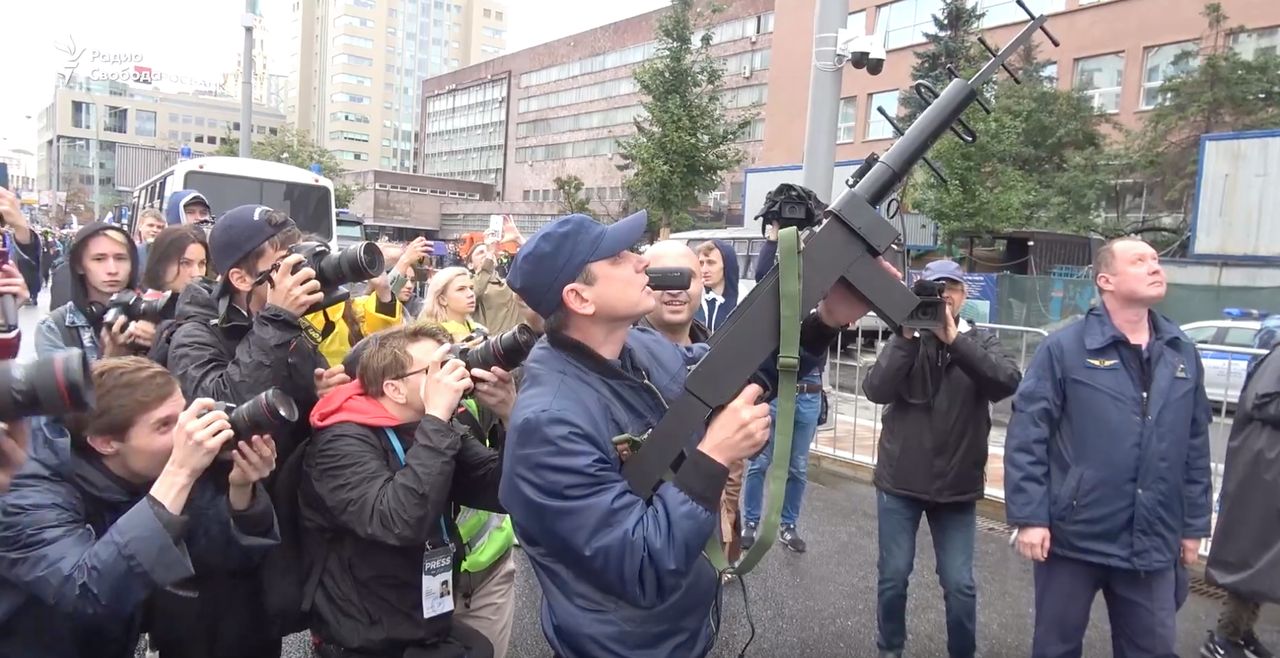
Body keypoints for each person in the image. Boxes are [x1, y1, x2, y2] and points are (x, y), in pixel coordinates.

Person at [499, 211, 888, 658]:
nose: (641, 262)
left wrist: (824, 320)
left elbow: (737, 374)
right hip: (624, 645)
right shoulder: (548, 424)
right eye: (620, 256)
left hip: (679, 626)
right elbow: (639, 564)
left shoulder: (636, 348)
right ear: (579, 298)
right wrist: (715, 454)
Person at [1004, 237, 1213, 658]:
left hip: (1152, 540)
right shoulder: (1064, 348)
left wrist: (1193, 525)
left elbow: (1194, 445)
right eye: (1139, 261)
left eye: (1156, 260)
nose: (1156, 267)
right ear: (1106, 280)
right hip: (1073, 536)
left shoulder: (1181, 353)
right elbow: (1028, 435)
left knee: (1152, 649)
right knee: (1056, 649)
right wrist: (1030, 517)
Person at [156, 204, 346, 657]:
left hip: (266, 530)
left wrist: (315, 392)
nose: (297, 273)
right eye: (281, 266)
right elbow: (223, 415)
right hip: (211, 551)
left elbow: (288, 415)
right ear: (241, 279)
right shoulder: (193, 334)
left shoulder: (286, 327)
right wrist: (277, 320)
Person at [0, 357, 280, 658]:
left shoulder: (148, 467)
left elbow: (209, 557)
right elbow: (87, 592)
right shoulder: (26, 492)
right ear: (105, 443)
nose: (187, 433)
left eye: (182, 414)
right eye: (164, 425)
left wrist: (240, 491)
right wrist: (180, 472)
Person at [302, 322, 512, 658]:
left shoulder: (433, 426)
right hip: (365, 640)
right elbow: (398, 520)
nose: (449, 375)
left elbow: (502, 490)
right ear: (395, 389)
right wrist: (437, 417)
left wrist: (510, 419)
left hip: (425, 624)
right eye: (434, 369)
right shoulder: (339, 441)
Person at [861, 259, 1022, 658]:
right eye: (934, 290)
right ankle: (890, 649)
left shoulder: (978, 341)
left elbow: (1006, 381)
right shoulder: (907, 340)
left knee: (960, 583)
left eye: (950, 289)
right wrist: (907, 335)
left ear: (964, 296)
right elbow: (876, 389)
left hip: (957, 485)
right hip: (900, 481)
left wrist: (954, 341)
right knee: (894, 577)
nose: (943, 298)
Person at [637, 241, 747, 562]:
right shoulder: (618, 356)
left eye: (686, 277)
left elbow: (733, 453)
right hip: (642, 535)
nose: (676, 289)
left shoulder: (718, 354)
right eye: (663, 278)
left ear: (703, 283)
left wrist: (727, 514)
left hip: (707, 534)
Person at [1202, 343, 1279, 658]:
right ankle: (1226, 636)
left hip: (1268, 471)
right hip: (1266, 473)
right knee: (1254, 559)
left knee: (1264, 561)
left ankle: (1241, 632)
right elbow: (1265, 402)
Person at [35, 222, 153, 361]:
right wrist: (111, 360)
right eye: (99, 259)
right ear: (79, 266)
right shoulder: (53, 327)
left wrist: (158, 346)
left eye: (121, 258)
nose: (112, 270)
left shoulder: (152, 316)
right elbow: (59, 382)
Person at [469, 229, 528, 335]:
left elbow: (538, 270)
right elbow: (474, 294)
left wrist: (519, 239)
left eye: (487, 251)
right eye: (480, 253)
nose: (485, 255)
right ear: (470, 264)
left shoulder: (510, 284)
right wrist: (489, 255)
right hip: (488, 346)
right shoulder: (467, 284)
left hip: (516, 345)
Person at [142, 224, 211, 295]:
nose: (196, 274)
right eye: (185, 263)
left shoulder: (210, 303)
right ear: (161, 265)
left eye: (201, 264)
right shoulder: (138, 304)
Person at [421, 266, 485, 340]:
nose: (471, 294)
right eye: (461, 289)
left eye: (471, 288)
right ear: (442, 299)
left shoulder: (480, 330)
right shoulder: (430, 337)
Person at [693, 239, 739, 333]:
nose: (704, 270)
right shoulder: (695, 298)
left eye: (711, 263)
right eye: (701, 263)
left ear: (726, 266)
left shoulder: (741, 300)